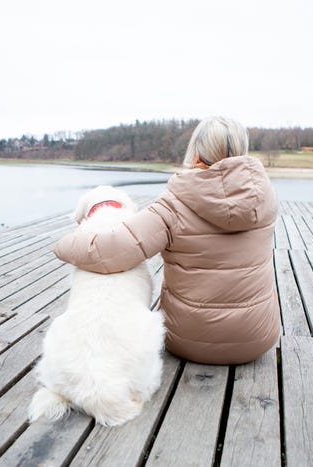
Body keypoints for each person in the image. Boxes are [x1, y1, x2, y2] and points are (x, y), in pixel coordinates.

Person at [54, 116, 280, 364]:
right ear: (241, 150)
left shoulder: (173, 205)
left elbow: (110, 252)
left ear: (196, 154)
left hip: (188, 340)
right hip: (258, 339)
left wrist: (63, 244)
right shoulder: (265, 198)